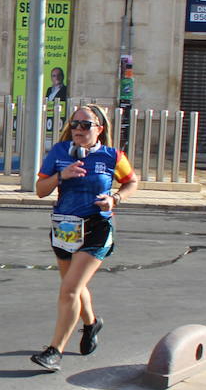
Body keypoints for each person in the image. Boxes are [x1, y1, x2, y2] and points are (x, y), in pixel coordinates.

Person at [30, 104, 139, 372]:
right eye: (75, 124)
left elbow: (132, 182)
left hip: (96, 228)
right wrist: (60, 176)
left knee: (69, 290)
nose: (78, 129)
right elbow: (40, 190)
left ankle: (54, 351)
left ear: (99, 129)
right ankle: (91, 324)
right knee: (74, 286)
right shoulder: (58, 152)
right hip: (64, 229)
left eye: (85, 125)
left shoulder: (113, 156)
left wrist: (115, 198)